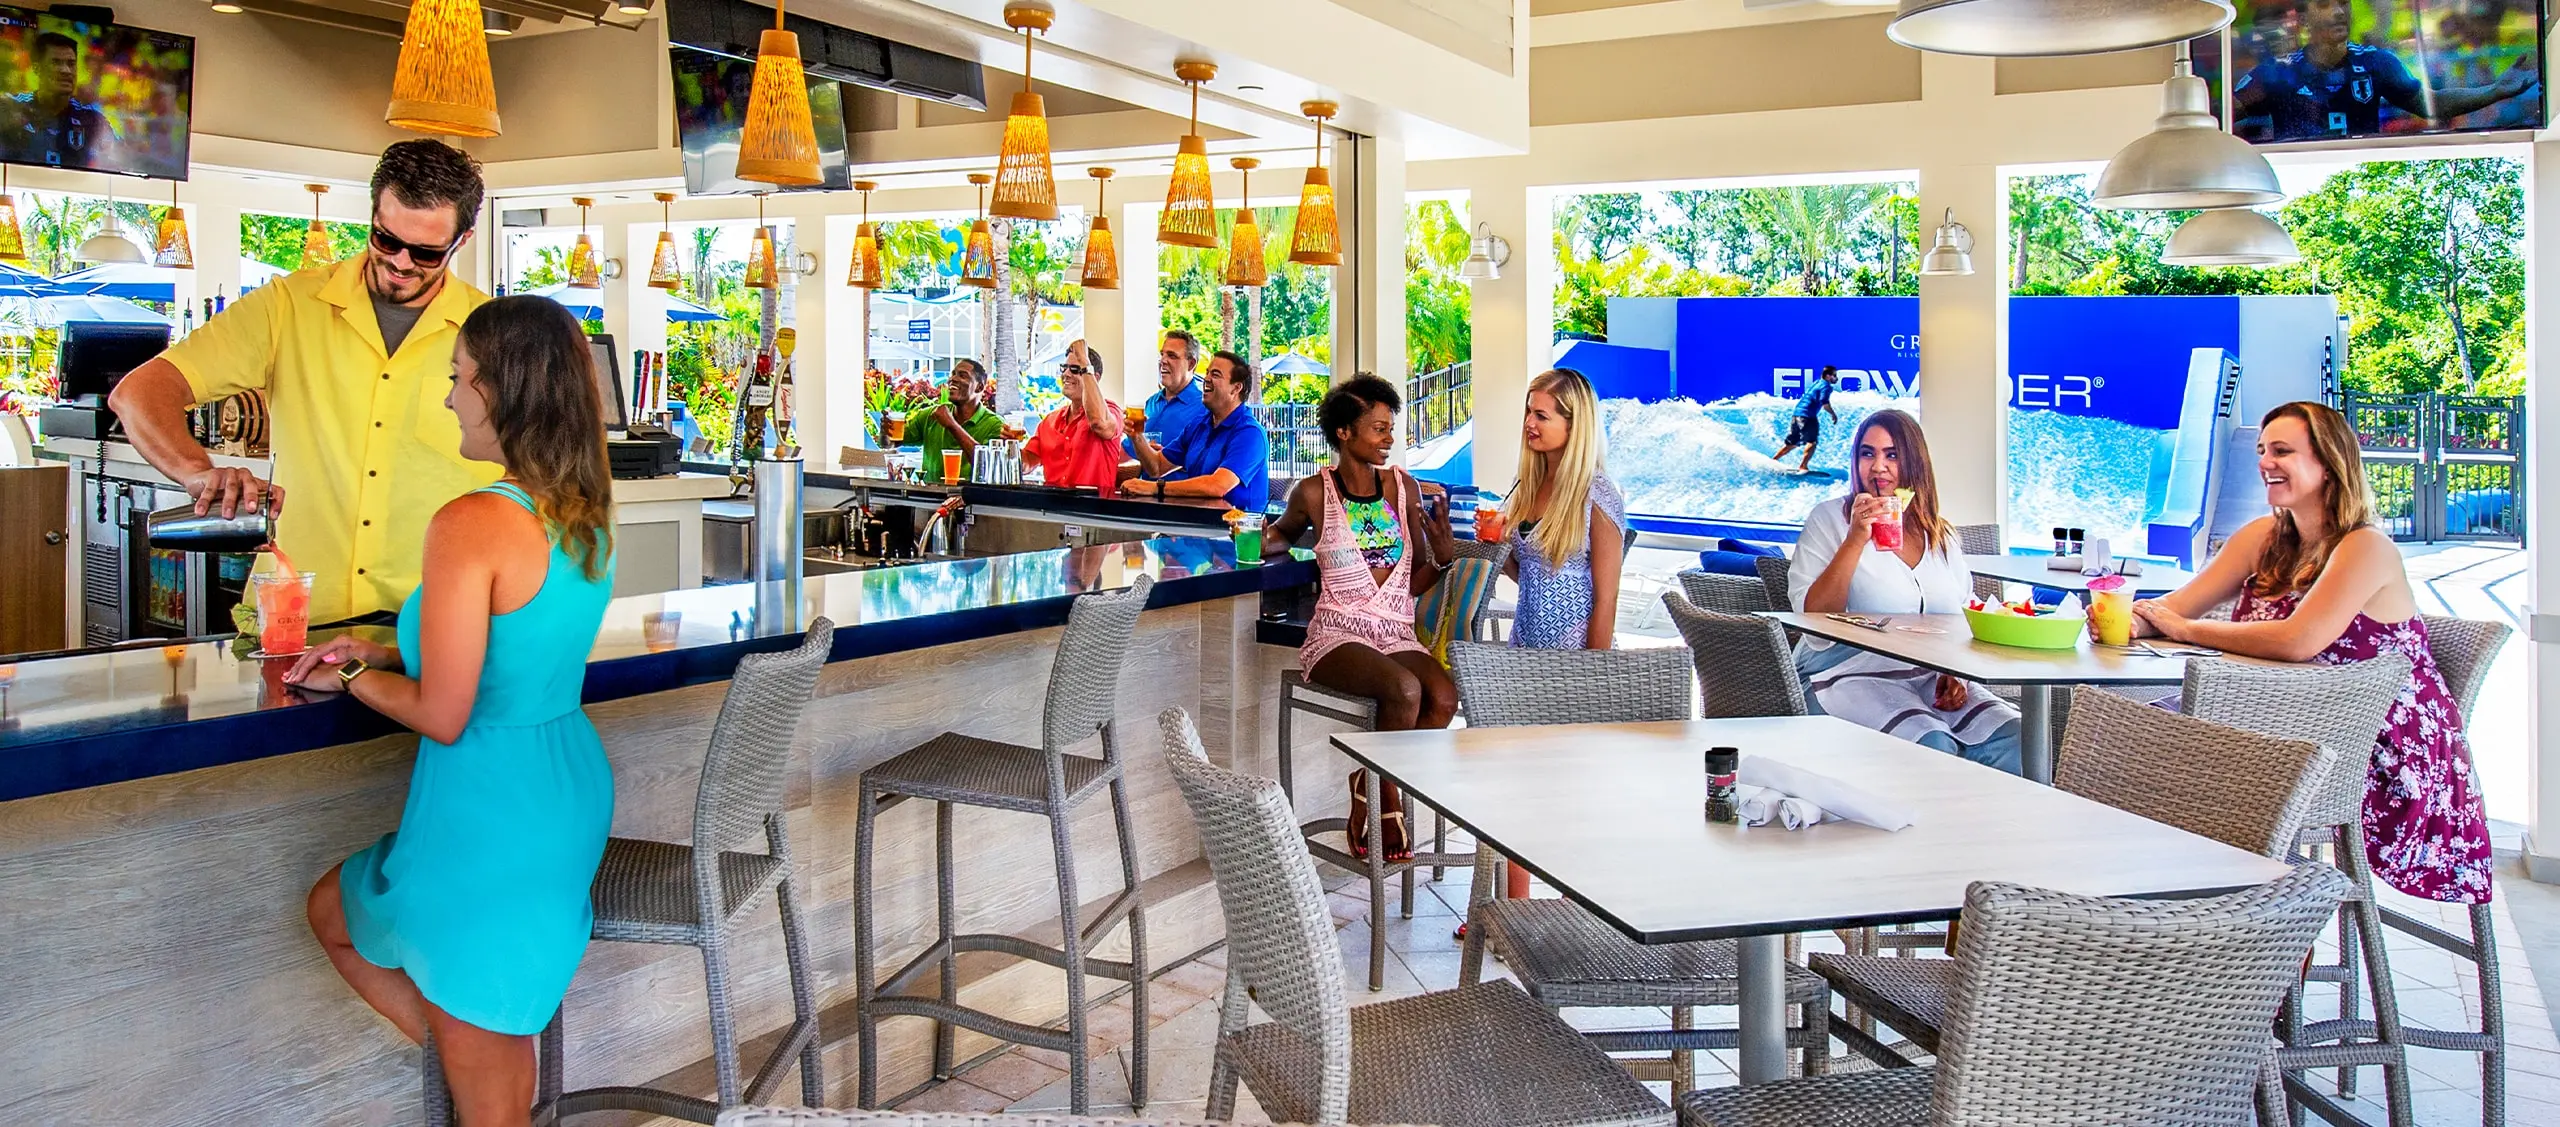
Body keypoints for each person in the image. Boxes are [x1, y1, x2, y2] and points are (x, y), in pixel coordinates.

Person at [288, 295, 619, 1127]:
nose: (448, 397)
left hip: (487, 804)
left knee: (487, 1049)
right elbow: (518, 637)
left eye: (458, 378)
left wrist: (354, 673)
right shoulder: (582, 509)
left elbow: (444, 711)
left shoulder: (470, 522)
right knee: (471, 1004)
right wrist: (388, 651)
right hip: (559, 784)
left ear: (498, 391)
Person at [110, 139, 494, 626]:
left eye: (425, 252)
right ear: (373, 213)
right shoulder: (287, 306)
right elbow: (138, 393)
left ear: (461, 240)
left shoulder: (494, 333)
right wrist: (196, 471)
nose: (400, 263)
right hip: (295, 616)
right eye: (386, 240)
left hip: (438, 623)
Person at [2123, 401, 2490, 904]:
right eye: (2262, 451)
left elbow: (2298, 641)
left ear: (2329, 463)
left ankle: (2250, 926)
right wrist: (2126, 619)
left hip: (2370, 744)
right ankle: (2193, 919)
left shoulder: (2366, 546)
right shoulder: (2262, 538)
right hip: (2282, 718)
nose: (2265, 462)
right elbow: (2175, 607)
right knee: (2128, 740)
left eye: (2282, 451)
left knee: (2161, 759)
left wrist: (2187, 631)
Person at [1789, 409, 2023, 774]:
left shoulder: (1941, 536)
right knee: (1932, 744)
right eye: (1868, 454)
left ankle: (2000, 828)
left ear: (1914, 464)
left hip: (1930, 674)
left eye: (1892, 455)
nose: (1878, 467)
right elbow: (1812, 615)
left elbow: (1962, 615)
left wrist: (1957, 673)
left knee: (2016, 736)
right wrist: (1855, 539)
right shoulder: (1830, 519)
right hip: (1845, 673)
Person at [1265, 373, 1458, 734]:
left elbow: (1414, 583)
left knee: (1445, 697)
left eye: (1390, 428)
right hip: (1337, 633)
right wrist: (1252, 539)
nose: (1389, 439)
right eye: (1379, 429)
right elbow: (1281, 535)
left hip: (1395, 631)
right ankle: (1384, 791)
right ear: (1344, 431)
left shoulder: (1402, 488)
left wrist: (1442, 560)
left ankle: (1369, 782)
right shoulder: (1313, 492)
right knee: (1404, 689)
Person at [2235, 0, 2536, 142]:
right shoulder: (2276, 72)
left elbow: (2433, 104)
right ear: (2303, 18)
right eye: (2325, 5)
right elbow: (2224, 115)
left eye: (2343, 3)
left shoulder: (2378, 62)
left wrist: (2494, 90)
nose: (2339, 12)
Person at [1500, 367, 1625, 651]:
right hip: (1523, 647)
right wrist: (1499, 545)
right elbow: (1530, 577)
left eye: (1541, 416)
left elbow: (1607, 598)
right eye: (1529, 412)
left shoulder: (1597, 492)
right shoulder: (1527, 485)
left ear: (1574, 425)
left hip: (1574, 651)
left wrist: (1592, 669)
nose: (1528, 423)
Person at [1123, 350, 1271, 512]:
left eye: (1215, 374)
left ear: (1236, 388)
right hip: (1193, 525)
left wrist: (1156, 488)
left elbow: (1217, 486)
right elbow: (1157, 467)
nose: (1206, 378)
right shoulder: (1199, 424)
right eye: (1207, 373)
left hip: (1236, 532)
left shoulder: (1249, 433)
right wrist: (1136, 436)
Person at [0, 31, 112, 170]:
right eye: (56, 62)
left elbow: (116, 163)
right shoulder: (10, 108)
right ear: (37, 69)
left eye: (71, 64)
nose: (66, 71)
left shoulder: (93, 120)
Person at [1021, 339, 1124, 491]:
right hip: (1052, 508)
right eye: (1064, 368)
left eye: (1076, 369)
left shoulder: (1110, 411)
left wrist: (1085, 362)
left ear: (1094, 377)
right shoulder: (1049, 421)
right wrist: (1010, 446)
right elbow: (1026, 464)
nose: (1066, 374)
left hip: (1093, 509)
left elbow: (1100, 424)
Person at [911, 359, 1005, 475]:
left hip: (971, 493)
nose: (953, 379)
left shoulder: (995, 425)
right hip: (931, 492)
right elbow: (890, 443)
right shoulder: (930, 415)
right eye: (953, 374)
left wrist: (952, 425)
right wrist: (887, 433)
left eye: (963, 376)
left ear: (979, 387)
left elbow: (988, 467)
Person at [1128, 329, 1210, 457]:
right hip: (1143, 477)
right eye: (1162, 354)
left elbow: (1208, 460)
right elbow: (1128, 453)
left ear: (1191, 364)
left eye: (1172, 356)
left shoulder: (1205, 407)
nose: (1163, 361)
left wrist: (1167, 460)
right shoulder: (1151, 403)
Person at [1770, 365, 1839, 473]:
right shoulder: (1826, 386)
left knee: (1793, 443)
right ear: (1828, 376)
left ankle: (1772, 461)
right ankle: (1803, 466)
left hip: (1796, 414)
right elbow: (1824, 402)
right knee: (1812, 442)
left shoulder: (1817, 383)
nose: (1836, 378)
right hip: (1807, 416)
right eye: (1834, 375)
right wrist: (1833, 414)